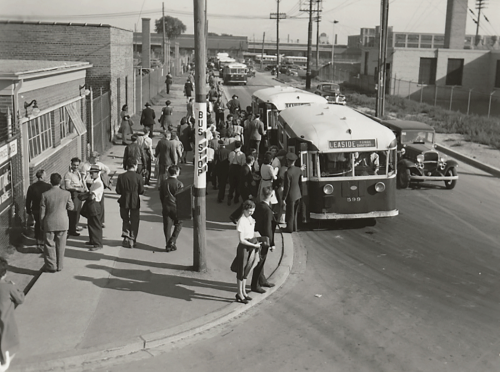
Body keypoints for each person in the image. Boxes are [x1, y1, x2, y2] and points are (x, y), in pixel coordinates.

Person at [40, 173, 74, 272]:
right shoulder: (66, 194)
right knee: (61, 245)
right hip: (63, 222)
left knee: (49, 245)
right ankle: (60, 266)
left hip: (49, 222)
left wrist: (42, 223)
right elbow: (71, 207)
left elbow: (42, 212)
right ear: (60, 182)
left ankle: (51, 266)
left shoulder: (45, 195)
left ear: (50, 181)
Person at [232, 200, 261, 304]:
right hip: (244, 247)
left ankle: (244, 292)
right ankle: (239, 293)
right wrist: (254, 245)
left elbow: (252, 233)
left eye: (253, 211)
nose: (251, 213)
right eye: (249, 211)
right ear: (244, 210)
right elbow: (241, 240)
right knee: (241, 271)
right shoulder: (241, 221)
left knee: (247, 270)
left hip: (251, 245)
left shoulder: (251, 219)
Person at [0, 257, 24, 369]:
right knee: (6, 341)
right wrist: (15, 287)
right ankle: (3, 364)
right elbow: (20, 299)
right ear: (5, 273)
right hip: (5, 319)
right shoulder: (9, 287)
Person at [251, 186, 276, 293]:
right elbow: (268, 228)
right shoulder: (268, 211)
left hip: (256, 236)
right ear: (271, 196)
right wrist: (271, 243)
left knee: (259, 261)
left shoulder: (258, 206)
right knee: (259, 262)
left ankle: (262, 279)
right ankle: (255, 285)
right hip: (264, 239)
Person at [116, 159, 144, 248]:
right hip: (135, 200)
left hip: (124, 199)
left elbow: (118, 190)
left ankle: (126, 236)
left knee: (125, 219)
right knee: (134, 220)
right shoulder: (139, 177)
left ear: (127, 167)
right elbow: (141, 191)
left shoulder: (121, 176)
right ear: (135, 166)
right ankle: (132, 238)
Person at [159, 165, 184, 252]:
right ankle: (172, 240)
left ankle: (168, 245)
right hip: (176, 207)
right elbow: (181, 198)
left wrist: (164, 204)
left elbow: (161, 196)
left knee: (167, 226)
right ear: (177, 172)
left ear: (168, 172)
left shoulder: (163, 183)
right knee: (179, 223)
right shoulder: (179, 184)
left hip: (166, 206)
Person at [25, 169, 51, 248]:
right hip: (46, 209)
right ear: (42, 176)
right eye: (45, 174)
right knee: (45, 224)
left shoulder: (32, 187)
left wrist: (29, 211)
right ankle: (45, 239)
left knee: (38, 223)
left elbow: (28, 200)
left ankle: (38, 239)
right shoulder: (48, 186)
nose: (46, 176)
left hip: (35, 209)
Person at [63, 157, 86, 237]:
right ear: (71, 164)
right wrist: (77, 189)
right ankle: (71, 229)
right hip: (74, 193)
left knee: (78, 211)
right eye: (74, 165)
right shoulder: (68, 174)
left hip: (80, 193)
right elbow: (67, 186)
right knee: (73, 212)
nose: (75, 167)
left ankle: (75, 226)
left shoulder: (78, 173)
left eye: (77, 165)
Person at [83, 165, 104, 251]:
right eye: (90, 173)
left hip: (95, 204)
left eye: (92, 173)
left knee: (95, 225)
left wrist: (85, 196)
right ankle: (92, 240)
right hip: (92, 205)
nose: (91, 175)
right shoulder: (95, 182)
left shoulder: (98, 183)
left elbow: (92, 196)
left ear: (97, 173)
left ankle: (98, 243)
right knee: (91, 224)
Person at [282, 152, 302, 233]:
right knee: (295, 213)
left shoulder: (287, 173)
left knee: (290, 213)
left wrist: (284, 198)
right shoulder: (298, 169)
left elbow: (287, 187)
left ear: (288, 161)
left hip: (291, 196)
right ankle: (294, 227)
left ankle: (289, 228)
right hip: (298, 195)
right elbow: (301, 172)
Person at [227, 141, 246, 206]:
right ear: (240, 146)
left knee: (232, 184)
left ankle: (229, 197)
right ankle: (236, 198)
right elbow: (243, 163)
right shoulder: (242, 154)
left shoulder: (231, 153)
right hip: (238, 168)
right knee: (238, 184)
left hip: (232, 168)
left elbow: (229, 160)